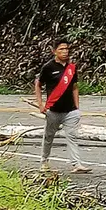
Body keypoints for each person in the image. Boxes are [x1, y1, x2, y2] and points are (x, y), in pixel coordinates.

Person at [35, 38, 90, 173]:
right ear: (54, 51)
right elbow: (38, 84)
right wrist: (41, 104)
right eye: (61, 49)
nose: (65, 52)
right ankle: (44, 161)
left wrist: (77, 106)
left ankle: (77, 164)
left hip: (70, 111)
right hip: (53, 110)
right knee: (49, 136)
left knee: (72, 136)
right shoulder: (48, 67)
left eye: (66, 49)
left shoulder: (71, 68)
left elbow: (75, 87)